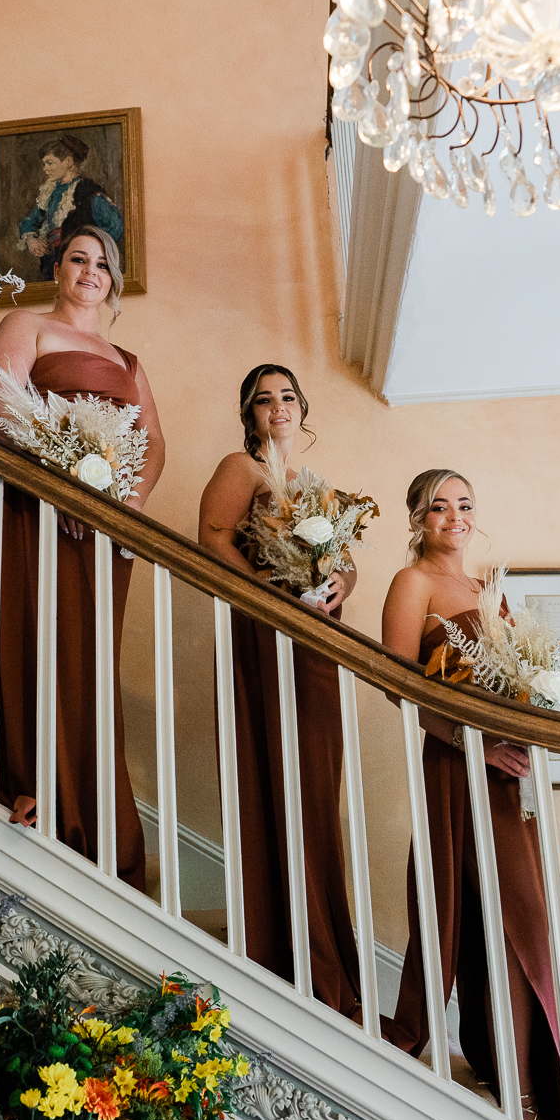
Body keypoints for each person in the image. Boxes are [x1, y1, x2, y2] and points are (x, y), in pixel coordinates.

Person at [379, 470, 560, 1120]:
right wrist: (470, 744)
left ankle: (525, 1084)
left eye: (463, 505)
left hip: (510, 775)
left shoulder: (488, 586)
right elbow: (397, 682)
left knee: (520, 922)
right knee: (504, 917)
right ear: (416, 518)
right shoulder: (413, 584)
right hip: (458, 765)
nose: (453, 516)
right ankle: (520, 1094)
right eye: (438, 506)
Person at [0, 227, 161, 891]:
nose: (90, 271)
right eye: (78, 259)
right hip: (40, 508)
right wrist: (57, 475)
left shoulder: (128, 359)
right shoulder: (25, 323)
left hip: (105, 528)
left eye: (102, 264)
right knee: (40, 635)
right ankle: (37, 785)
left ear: (114, 280)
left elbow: (153, 441)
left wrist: (127, 504)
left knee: (91, 658)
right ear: (56, 268)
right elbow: (1, 402)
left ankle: (95, 815)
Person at [197, 365, 362, 1018]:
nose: (278, 407)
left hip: (317, 642)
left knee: (319, 785)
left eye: (287, 396)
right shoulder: (241, 468)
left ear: (302, 407)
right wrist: (267, 594)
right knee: (280, 776)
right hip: (268, 636)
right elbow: (211, 537)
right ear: (249, 413)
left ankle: (325, 948)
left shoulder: (314, 484)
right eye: (263, 399)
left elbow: (344, 556)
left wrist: (343, 581)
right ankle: (285, 952)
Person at [17, 135, 124, 281]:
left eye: (49, 163)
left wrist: (87, 250)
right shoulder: (49, 192)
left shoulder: (89, 192)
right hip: (51, 265)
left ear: (68, 162)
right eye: (44, 164)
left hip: (80, 267)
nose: (45, 169)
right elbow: (30, 221)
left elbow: (115, 226)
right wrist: (31, 240)